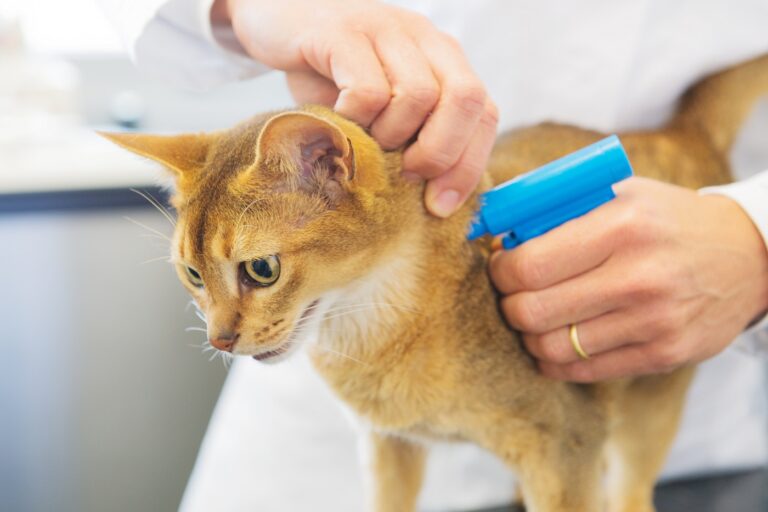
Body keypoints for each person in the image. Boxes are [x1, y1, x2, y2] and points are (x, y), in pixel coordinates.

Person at [99, 0, 768, 509]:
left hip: (699, 428)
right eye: (193, 277)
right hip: (310, 456)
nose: (218, 333)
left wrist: (758, 236)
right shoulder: (280, 253)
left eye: (258, 271)